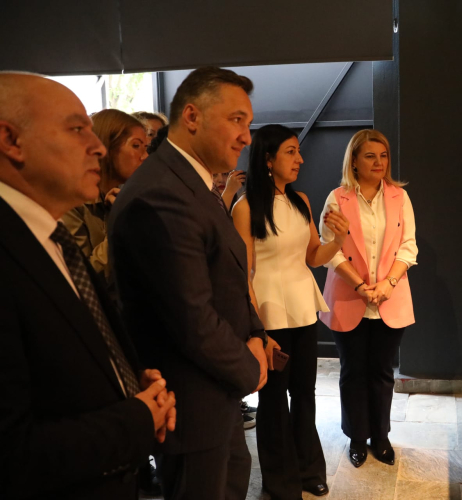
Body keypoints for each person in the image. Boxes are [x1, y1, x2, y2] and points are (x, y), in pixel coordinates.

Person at [0, 72, 176, 500]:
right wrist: (136, 418)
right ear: (10, 140)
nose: (97, 147)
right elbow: (12, 453)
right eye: (77, 128)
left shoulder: (51, 237)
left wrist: (126, 381)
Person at [108, 66, 269, 500]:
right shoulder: (161, 193)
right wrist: (250, 367)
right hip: (192, 405)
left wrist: (256, 333)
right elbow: (191, 319)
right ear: (193, 116)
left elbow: (228, 272)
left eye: (249, 123)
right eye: (237, 120)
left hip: (216, 394)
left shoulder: (192, 183)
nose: (246, 137)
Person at [232, 124, 349, 499]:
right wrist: (256, 329)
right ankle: (279, 481)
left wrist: (338, 239)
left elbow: (313, 256)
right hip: (269, 314)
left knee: (305, 393)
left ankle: (309, 469)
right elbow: (243, 274)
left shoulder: (301, 201)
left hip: (302, 309)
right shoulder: (245, 207)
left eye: (298, 152)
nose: (300, 159)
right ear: (268, 159)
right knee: (272, 400)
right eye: (291, 152)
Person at [319, 129, 417, 468]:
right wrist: (361, 286)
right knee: (353, 372)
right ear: (354, 161)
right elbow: (329, 250)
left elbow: (408, 246)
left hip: (391, 297)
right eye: (370, 156)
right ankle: (357, 438)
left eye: (383, 155)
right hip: (349, 297)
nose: (379, 162)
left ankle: (381, 436)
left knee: (382, 372)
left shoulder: (400, 197)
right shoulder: (337, 198)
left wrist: (388, 283)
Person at [62, 109, 148, 288]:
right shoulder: (72, 202)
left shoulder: (132, 194)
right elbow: (82, 279)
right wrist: (121, 224)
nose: (145, 156)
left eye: (146, 147)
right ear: (107, 148)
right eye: (136, 146)